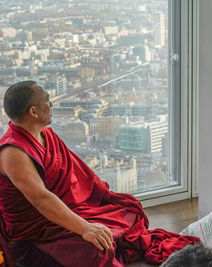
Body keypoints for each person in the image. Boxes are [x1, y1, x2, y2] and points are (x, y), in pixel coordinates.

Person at [0, 81, 199, 266]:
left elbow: (76, 177)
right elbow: (40, 199)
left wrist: (99, 202)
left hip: (65, 210)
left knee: (128, 211)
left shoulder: (46, 135)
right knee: (98, 249)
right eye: (46, 100)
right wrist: (85, 228)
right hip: (36, 232)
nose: (51, 104)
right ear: (33, 112)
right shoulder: (13, 152)